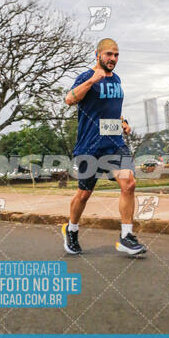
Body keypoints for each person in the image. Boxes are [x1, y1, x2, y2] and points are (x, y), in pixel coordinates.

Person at [63, 38, 147, 256]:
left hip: (114, 143)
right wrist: (92, 80)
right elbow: (69, 100)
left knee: (128, 184)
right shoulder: (85, 77)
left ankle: (126, 236)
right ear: (97, 54)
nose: (113, 59)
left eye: (116, 55)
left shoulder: (116, 78)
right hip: (90, 146)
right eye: (109, 54)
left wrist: (122, 122)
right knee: (84, 194)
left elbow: (109, 109)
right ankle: (71, 230)